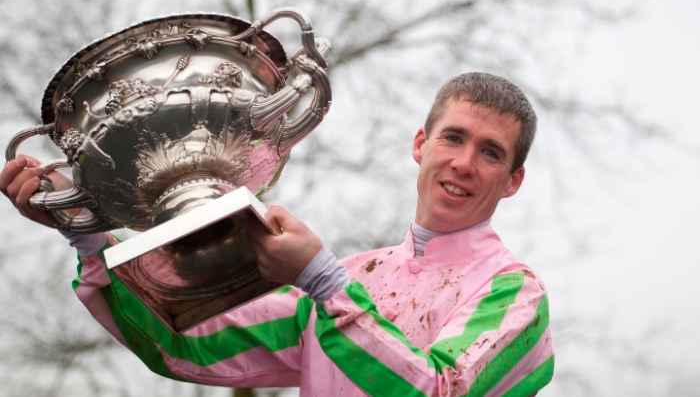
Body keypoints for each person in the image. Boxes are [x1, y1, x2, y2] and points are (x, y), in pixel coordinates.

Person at [1, 72, 554, 396]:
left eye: (490, 152)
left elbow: (441, 390)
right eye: (452, 138)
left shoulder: (514, 293)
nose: (463, 163)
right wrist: (87, 235)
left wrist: (324, 282)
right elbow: (184, 341)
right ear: (420, 145)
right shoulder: (352, 277)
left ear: (514, 180)